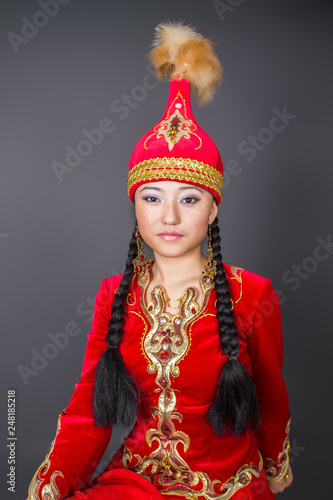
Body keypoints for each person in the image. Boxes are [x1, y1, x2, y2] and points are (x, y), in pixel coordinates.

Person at [27, 21, 292, 500]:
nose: (168, 216)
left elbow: (271, 402)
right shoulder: (114, 295)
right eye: (152, 198)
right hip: (136, 484)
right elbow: (89, 414)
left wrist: (273, 472)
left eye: (189, 200)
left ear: (214, 209)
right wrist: (49, 489)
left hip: (226, 489)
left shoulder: (252, 294)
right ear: (134, 205)